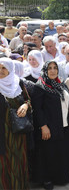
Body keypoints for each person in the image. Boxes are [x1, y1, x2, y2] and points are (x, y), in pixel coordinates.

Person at [32, 61, 69, 189]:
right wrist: (43, 126)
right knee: (47, 154)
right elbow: (37, 109)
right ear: (45, 70)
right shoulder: (40, 86)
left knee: (59, 153)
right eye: (50, 68)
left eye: (55, 68)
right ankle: (46, 179)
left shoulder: (60, 85)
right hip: (48, 127)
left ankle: (59, 177)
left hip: (62, 125)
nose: (53, 71)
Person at [0, 58, 30, 190]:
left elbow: (28, 99)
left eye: (3, 68)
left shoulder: (18, 83)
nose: (0, 71)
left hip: (17, 131)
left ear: (10, 69)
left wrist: (25, 105)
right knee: (4, 162)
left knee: (18, 160)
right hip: (2, 132)